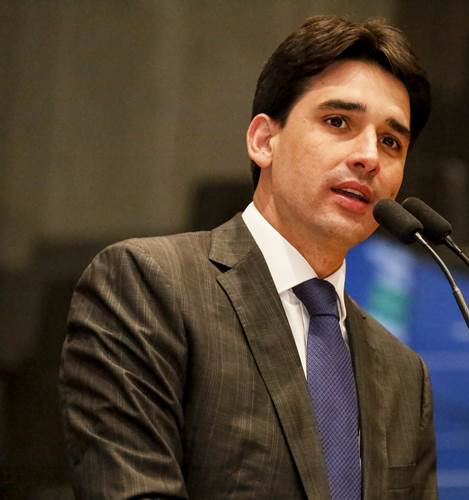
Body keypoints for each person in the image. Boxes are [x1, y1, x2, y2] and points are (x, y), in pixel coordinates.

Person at [59, 14, 436, 500]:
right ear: (263, 140)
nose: (369, 157)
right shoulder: (150, 286)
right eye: (338, 122)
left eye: (391, 141)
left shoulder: (405, 375)